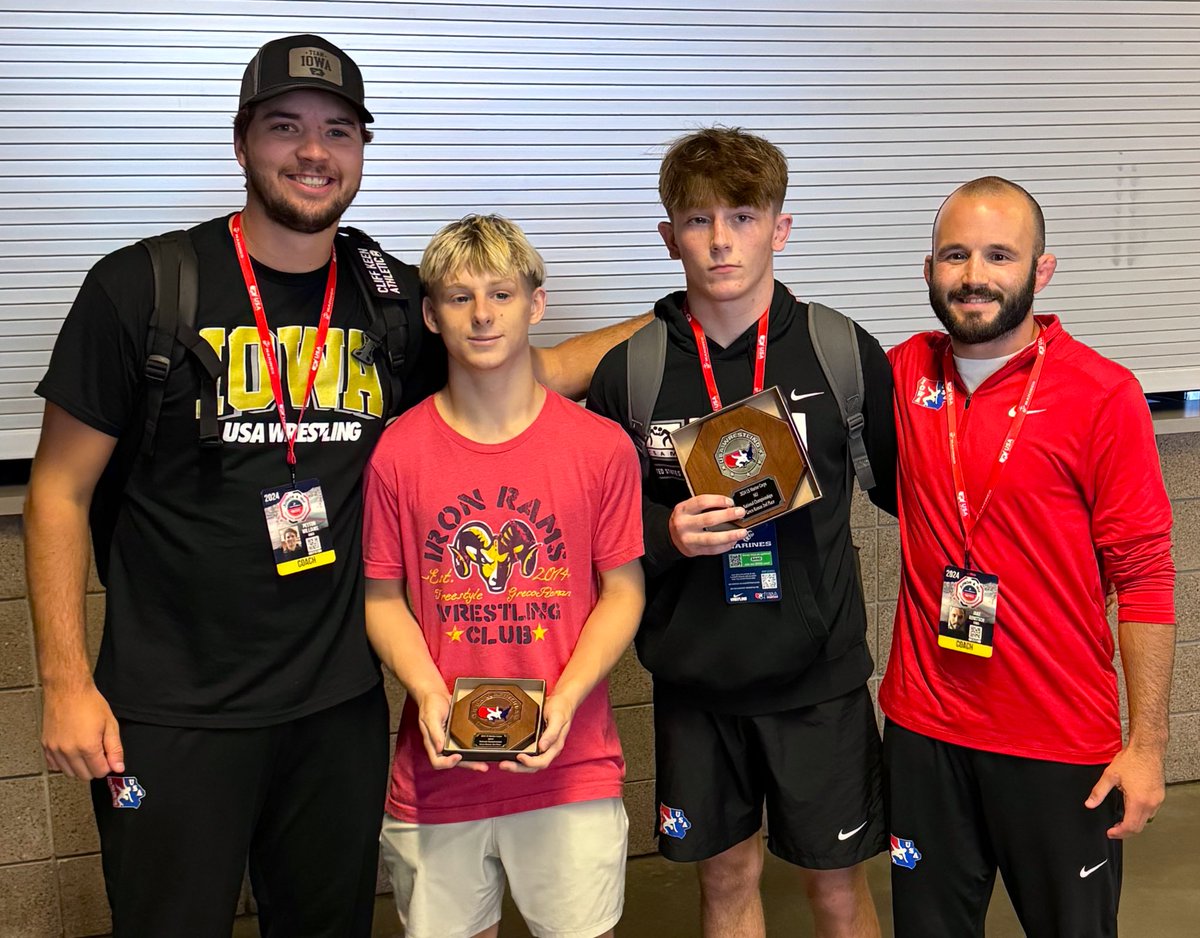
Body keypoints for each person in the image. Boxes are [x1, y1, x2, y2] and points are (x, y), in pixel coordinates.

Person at [24, 35, 643, 937]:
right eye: (286, 127)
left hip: (335, 711)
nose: (313, 152)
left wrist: (684, 316)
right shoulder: (143, 288)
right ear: (242, 143)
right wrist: (65, 683)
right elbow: (56, 494)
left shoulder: (384, 295)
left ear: (361, 150)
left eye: (338, 131)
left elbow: (525, 369)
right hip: (170, 712)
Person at [587, 127, 897, 938]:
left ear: (780, 228)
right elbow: (598, 522)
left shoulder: (840, 351)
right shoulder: (633, 370)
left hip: (818, 682)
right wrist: (666, 534)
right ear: (668, 236)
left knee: (836, 891)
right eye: (697, 220)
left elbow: (910, 493)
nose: (721, 239)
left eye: (743, 216)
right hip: (698, 686)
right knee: (725, 884)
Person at [881, 176, 1176, 937]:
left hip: (1058, 740)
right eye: (955, 254)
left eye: (999, 255)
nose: (974, 275)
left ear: (1040, 271)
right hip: (926, 732)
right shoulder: (903, 371)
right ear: (928, 268)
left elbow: (1145, 580)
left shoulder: (1103, 394)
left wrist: (1146, 746)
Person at [362, 214, 645, 938]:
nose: (483, 314)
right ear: (430, 314)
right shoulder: (398, 452)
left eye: (501, 293)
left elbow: (624, 590)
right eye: (459, 298)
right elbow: (384, 599)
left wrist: (568, 694)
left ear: (536, 304)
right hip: (437, 778)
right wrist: (426, 692)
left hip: (569, 769)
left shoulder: (600, 448)